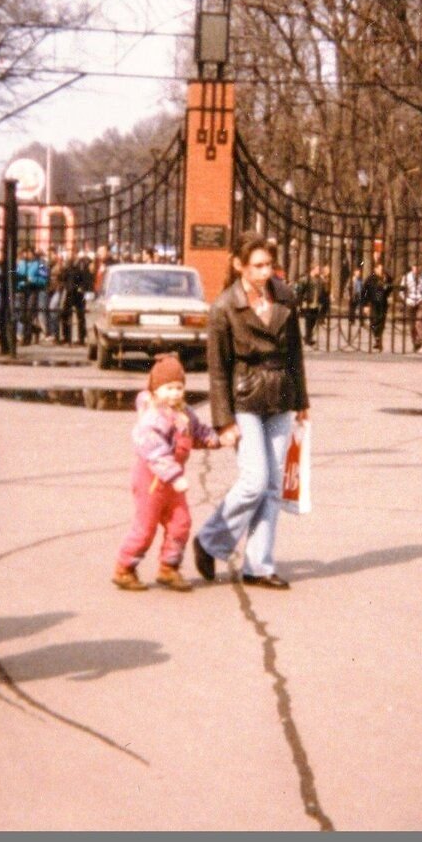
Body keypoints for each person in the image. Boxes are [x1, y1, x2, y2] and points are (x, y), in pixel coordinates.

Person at [193, 231, 309, 589]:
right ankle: (210, 540)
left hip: (280, 396)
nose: (265, 273)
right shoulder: (224, 307)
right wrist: (223, 421)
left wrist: (302, 401)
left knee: (273, 486)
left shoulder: (285, 297)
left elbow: (294, 354)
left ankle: (258, 566)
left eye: (269, 265)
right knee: (254, 480)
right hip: (244, 397)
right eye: (257, 266)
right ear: (239, 266)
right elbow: (216, 371)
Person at [113, 353, 224, 592]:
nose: (175, 393)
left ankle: (169, 567)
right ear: (154, 391)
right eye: (169, 388)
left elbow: (198, 432)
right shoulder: (152, 418)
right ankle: (124, 568)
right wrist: (174, 476)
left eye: (179, 387)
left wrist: (217, 439)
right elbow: (155, 451)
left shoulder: (184, 413)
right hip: (152, 482)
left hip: (174, 484)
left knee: (180, 523)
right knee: (145, 528)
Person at [360, 262, 392, 352]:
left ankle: (378, 339)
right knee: (374, 321)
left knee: (382, 321)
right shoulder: (370, 279)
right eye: (380, 269)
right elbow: (364, 293)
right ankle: (377, 338)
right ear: (375, 269)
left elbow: (390, 287)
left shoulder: (385, 278)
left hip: (383, 303)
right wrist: (365, 305)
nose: (381, 271)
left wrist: (387, 279)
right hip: (373, 303)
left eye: (382, 269)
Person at [400, 263, 422, 352]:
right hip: (410, 301)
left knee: (420, 322)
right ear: (412, 267)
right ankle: (415, 342)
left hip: (420, 301)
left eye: (418, 266)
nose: (416, 269)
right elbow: (401, 291)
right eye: (415, 266)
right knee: (411, 325)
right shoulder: (406, 277)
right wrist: (407, 300)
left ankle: (420, 342)